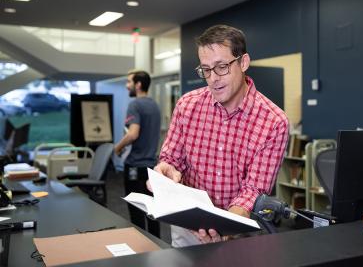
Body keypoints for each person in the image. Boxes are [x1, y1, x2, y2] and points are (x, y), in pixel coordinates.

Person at [152, 24, 289, 247]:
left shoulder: (274, 122)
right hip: (188, 226)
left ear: (243, 62)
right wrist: (166, 169)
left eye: (221, 67)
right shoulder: (187, 105)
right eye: (206, 69)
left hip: (237, 230)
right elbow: (171, 160)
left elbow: (253, 190)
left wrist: (227, 224)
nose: (213, 78)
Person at [114, 70, 161, 236]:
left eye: (129, 82)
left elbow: (133, 133)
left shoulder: (134, 105)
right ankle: (156, 246)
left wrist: (117, 148)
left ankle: (140, 249)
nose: (127, 86)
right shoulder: (155, 105)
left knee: (136, 212)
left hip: (134, 166)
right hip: (151, 168)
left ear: (138, 85)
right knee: (152, 212)